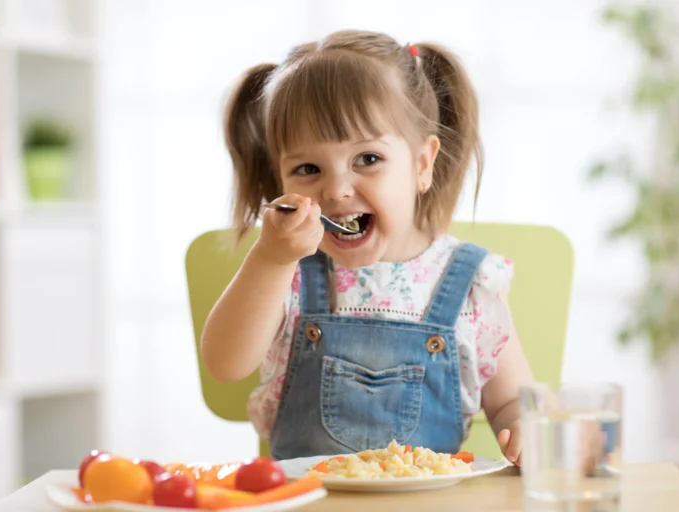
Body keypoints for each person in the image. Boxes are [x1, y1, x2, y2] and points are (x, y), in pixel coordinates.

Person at [202, 30, 535, 462]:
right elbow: (225, 364)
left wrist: (523, 427)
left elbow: (511, 402)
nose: (337, 190)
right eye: (307, 168)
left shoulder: (472, 284)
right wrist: (270, 257)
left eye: (367, 159)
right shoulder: (287, 273)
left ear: (422, 164)